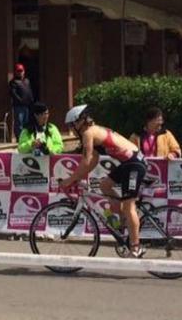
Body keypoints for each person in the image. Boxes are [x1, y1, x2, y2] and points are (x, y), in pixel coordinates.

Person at [59, 105, 147, 258]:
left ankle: (135, 247)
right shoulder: (93, 131)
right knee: (104, 185)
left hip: (134, 164)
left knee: (128, 205)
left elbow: (86, 161)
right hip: (129, 163)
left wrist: (69, 180)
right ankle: (124, 222)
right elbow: (93, 160)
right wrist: (77, 178)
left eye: (71, 125)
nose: (71, 130)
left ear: (79, 122)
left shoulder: (88, 132)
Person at [9, 63, 34, 141]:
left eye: (21, 70)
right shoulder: (13, 82)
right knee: (19, 123)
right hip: (18, 106)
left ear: (24, 71)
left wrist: (31, 100)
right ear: (15, 72)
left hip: (27, 106)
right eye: (18, 71)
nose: (20, 72)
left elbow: (29, 91)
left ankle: (25, 138)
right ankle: (19, 139)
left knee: (26, 123)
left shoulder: (27, 81)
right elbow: (13, 93)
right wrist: (20, 100)